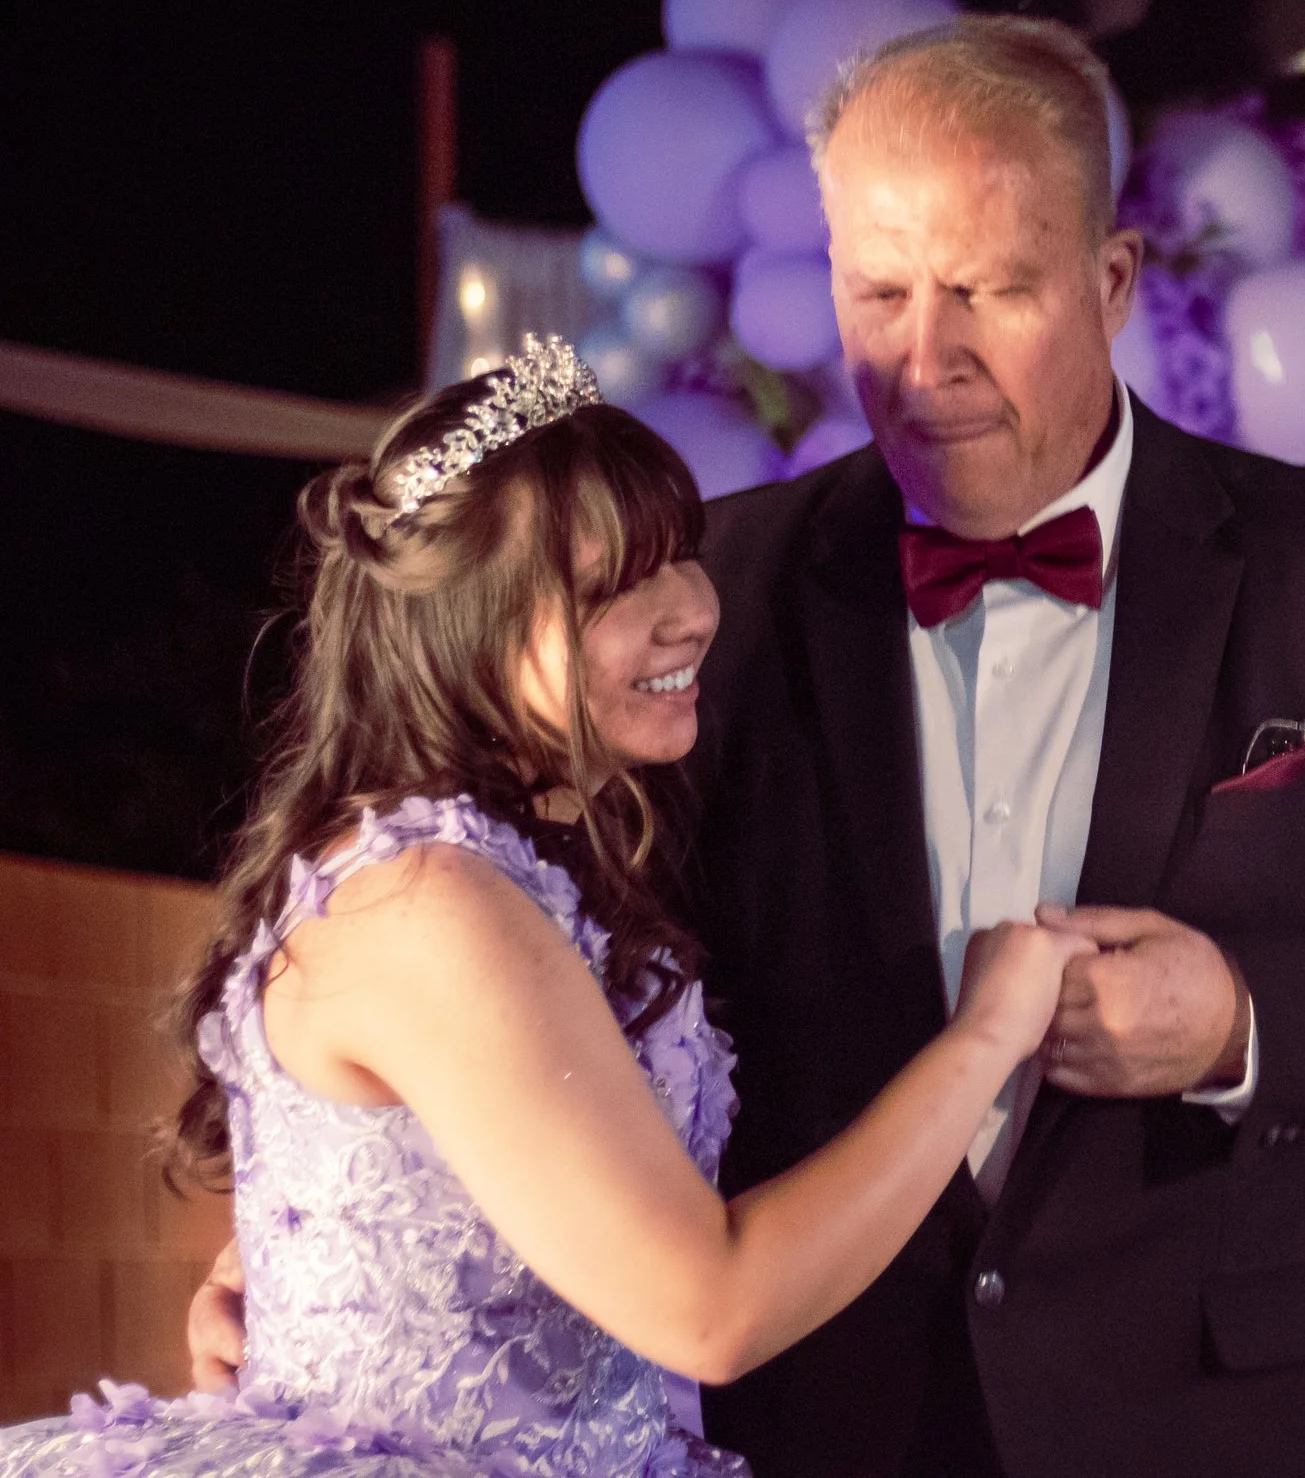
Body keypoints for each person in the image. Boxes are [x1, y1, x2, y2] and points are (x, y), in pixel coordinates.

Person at [195, 16, 1305, 1475]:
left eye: (991, 290)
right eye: (881, 291)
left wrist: (1239, 1016)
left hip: (1213, 1411)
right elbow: (509, 981)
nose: (931, 359)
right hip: (815, 1413)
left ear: (1111, 284)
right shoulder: (706, 587)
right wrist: (316, 1250)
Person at [3, 339, 1093, 1477]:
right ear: (466, 629)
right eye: (609, 588)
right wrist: (987, 1035)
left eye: (679, 556)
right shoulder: (428, 904)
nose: (685, 613)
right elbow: (708, 1306)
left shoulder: (540, 858)